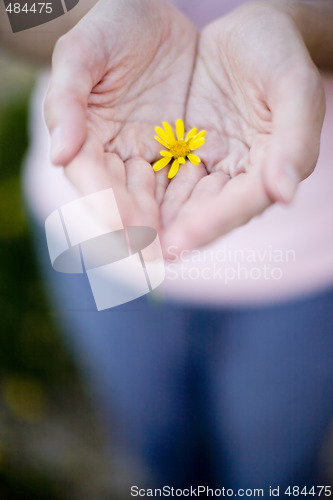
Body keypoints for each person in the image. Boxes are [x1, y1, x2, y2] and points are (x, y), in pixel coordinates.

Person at [18, 0, 333, 493]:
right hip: (100, 233)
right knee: (156, 452)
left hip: (312, 268)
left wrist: (303, 24)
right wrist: (90, 20)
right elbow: (13, 12)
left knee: (274, 477)